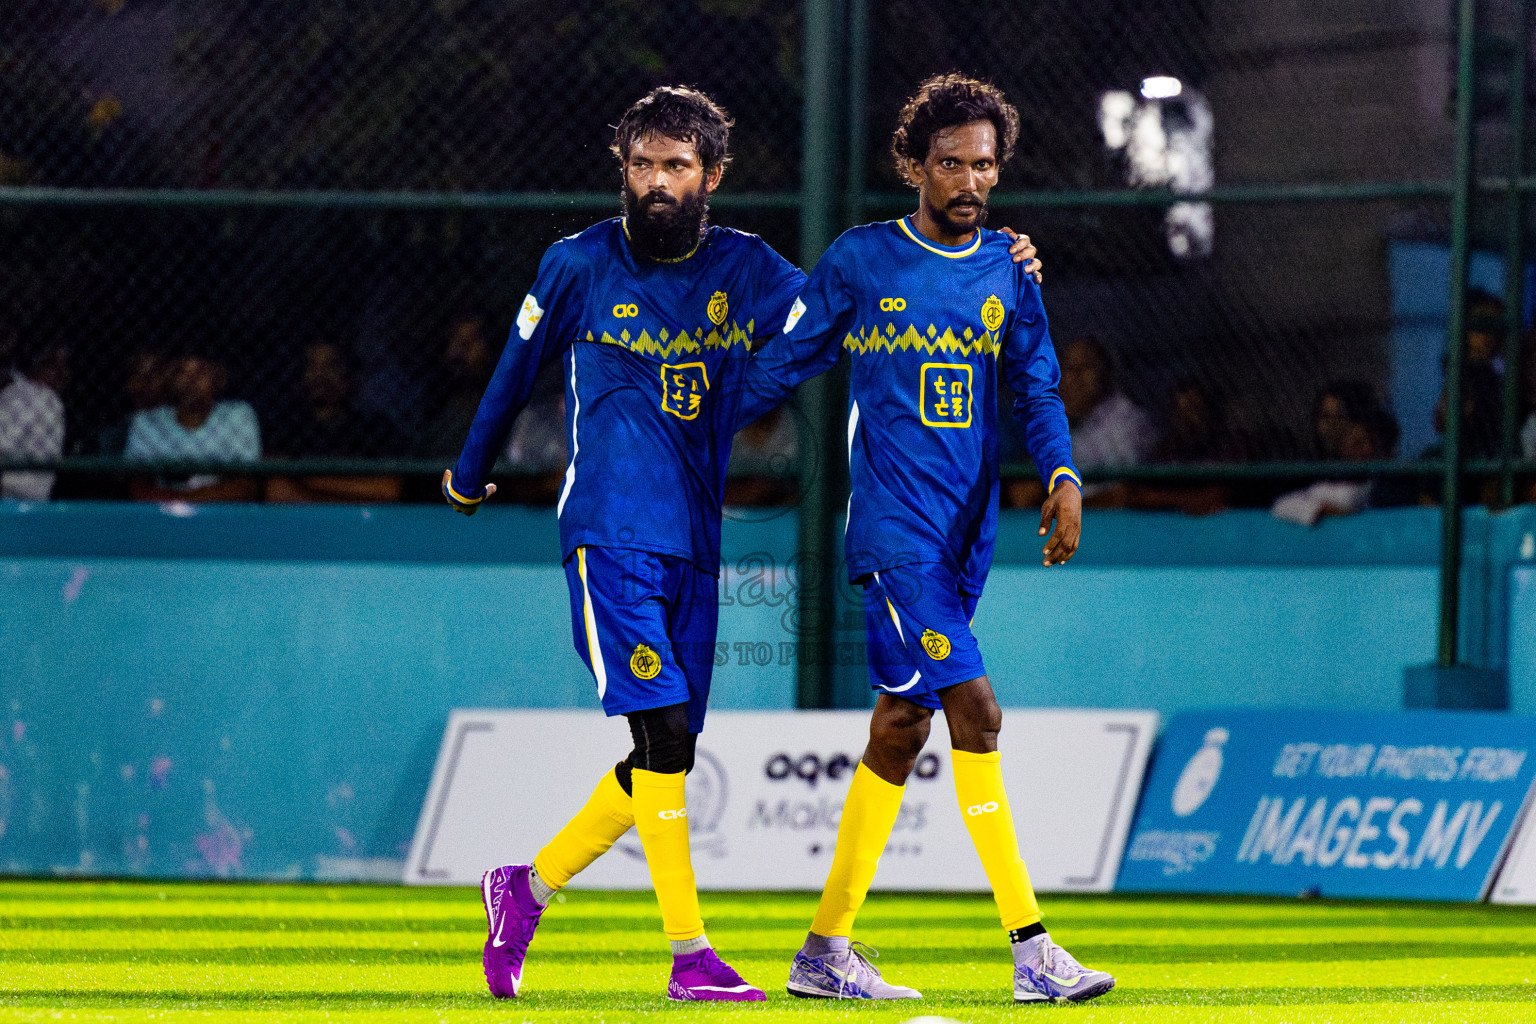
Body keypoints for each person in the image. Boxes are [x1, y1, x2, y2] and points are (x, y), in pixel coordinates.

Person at [440, 86, 1042, 1004]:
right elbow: (513, 371)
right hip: (608, 529)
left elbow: (848, 308)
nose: (656, 181)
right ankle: (691, 958)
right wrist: (468, 472)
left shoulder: (750, 268)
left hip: (696, 537)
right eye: (642, 164)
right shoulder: (576, 264)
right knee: (661, 729)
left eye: (676, 166)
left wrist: (990, 263)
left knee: (669, 750)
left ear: (711, 176)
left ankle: (525, 888)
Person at [736, 74, 1112, 1004]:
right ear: (914, 166)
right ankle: (1033, 951)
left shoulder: (1010, 270)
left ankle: (823, 953)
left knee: (901, 729)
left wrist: (1064, 475)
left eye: (984, 164)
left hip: (965, 535)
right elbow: (784, 360)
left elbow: (1036, 387)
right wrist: (688, 428)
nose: (969, 180)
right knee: (977, 713)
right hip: (894, 536)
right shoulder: (863, 259)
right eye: (950, 164)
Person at [264, 341, 404, 503]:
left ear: (350, 375)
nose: (320, 375)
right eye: (313, 366)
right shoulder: (286, 426)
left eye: (331, 366)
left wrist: (306, 478)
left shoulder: (375, 426)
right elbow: (278, 491)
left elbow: (388, 490)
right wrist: (350, 491)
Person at [125, 351, 260, 501]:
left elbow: (245, 485)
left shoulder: (237, 414)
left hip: (220, 510)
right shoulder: (147, 421)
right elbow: (138, 487)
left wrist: (184, 499)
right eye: (183, 372)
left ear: (217, 379)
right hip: (161, 512)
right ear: (171, 379)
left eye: (200, 372)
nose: (192, 380)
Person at [0, 340, 70, 501]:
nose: (62, 375)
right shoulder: (21, 393)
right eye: (54, 366)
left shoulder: (36, 396)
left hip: (14, 498)